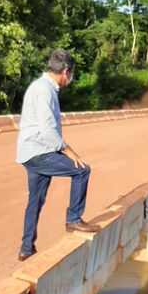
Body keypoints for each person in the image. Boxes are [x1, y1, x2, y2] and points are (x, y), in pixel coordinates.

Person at [16, 48, 99, 261]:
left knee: (35, 202)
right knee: (82, 170)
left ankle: (26, 249)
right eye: (70, 75)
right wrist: (70, 152)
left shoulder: (40, 87)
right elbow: (48, 130)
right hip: (39, 152)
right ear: (65, 71)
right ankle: (73, 219)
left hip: (29, 153)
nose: (69, 79)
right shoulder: (45, 90)